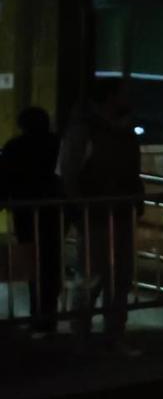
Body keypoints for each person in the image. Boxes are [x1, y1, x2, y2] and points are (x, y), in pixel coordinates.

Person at [58, 77, 143, 349]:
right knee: (93, 275)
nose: (129, 98)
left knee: (119, 276)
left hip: (118, 210)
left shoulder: (123, 130)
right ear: (110, 98)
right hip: (96, 213)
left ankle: (112, 331)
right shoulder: (85, 130)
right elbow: (68, 173)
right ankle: (82, 331)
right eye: (123, 93)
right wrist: (80, 208)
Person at [1, 107, 65, 335]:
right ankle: (49, 315)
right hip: (54, 212)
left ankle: (37, 315)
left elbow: (4, 179)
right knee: (51, 265)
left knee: (33, 265)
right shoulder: (57, 144)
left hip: (25, 213)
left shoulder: (14, 147)